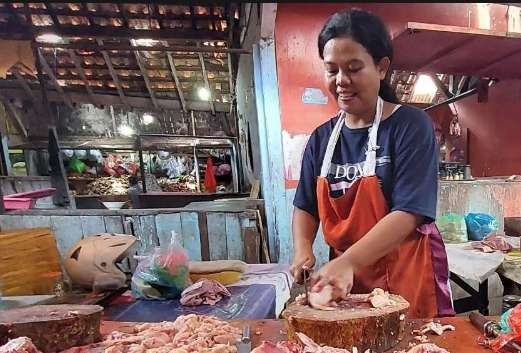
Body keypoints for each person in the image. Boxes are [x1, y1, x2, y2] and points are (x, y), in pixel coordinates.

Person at [290, 8, 454, 319]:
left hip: (406, 275)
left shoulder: (410, 126)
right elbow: (306, 205)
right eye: (331, 70)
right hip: (343, 281)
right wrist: (303, 249)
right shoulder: (321, 139)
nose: (341, 80)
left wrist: (350, 261)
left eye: (353, 68)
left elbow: (409, 212)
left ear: (381, 68)